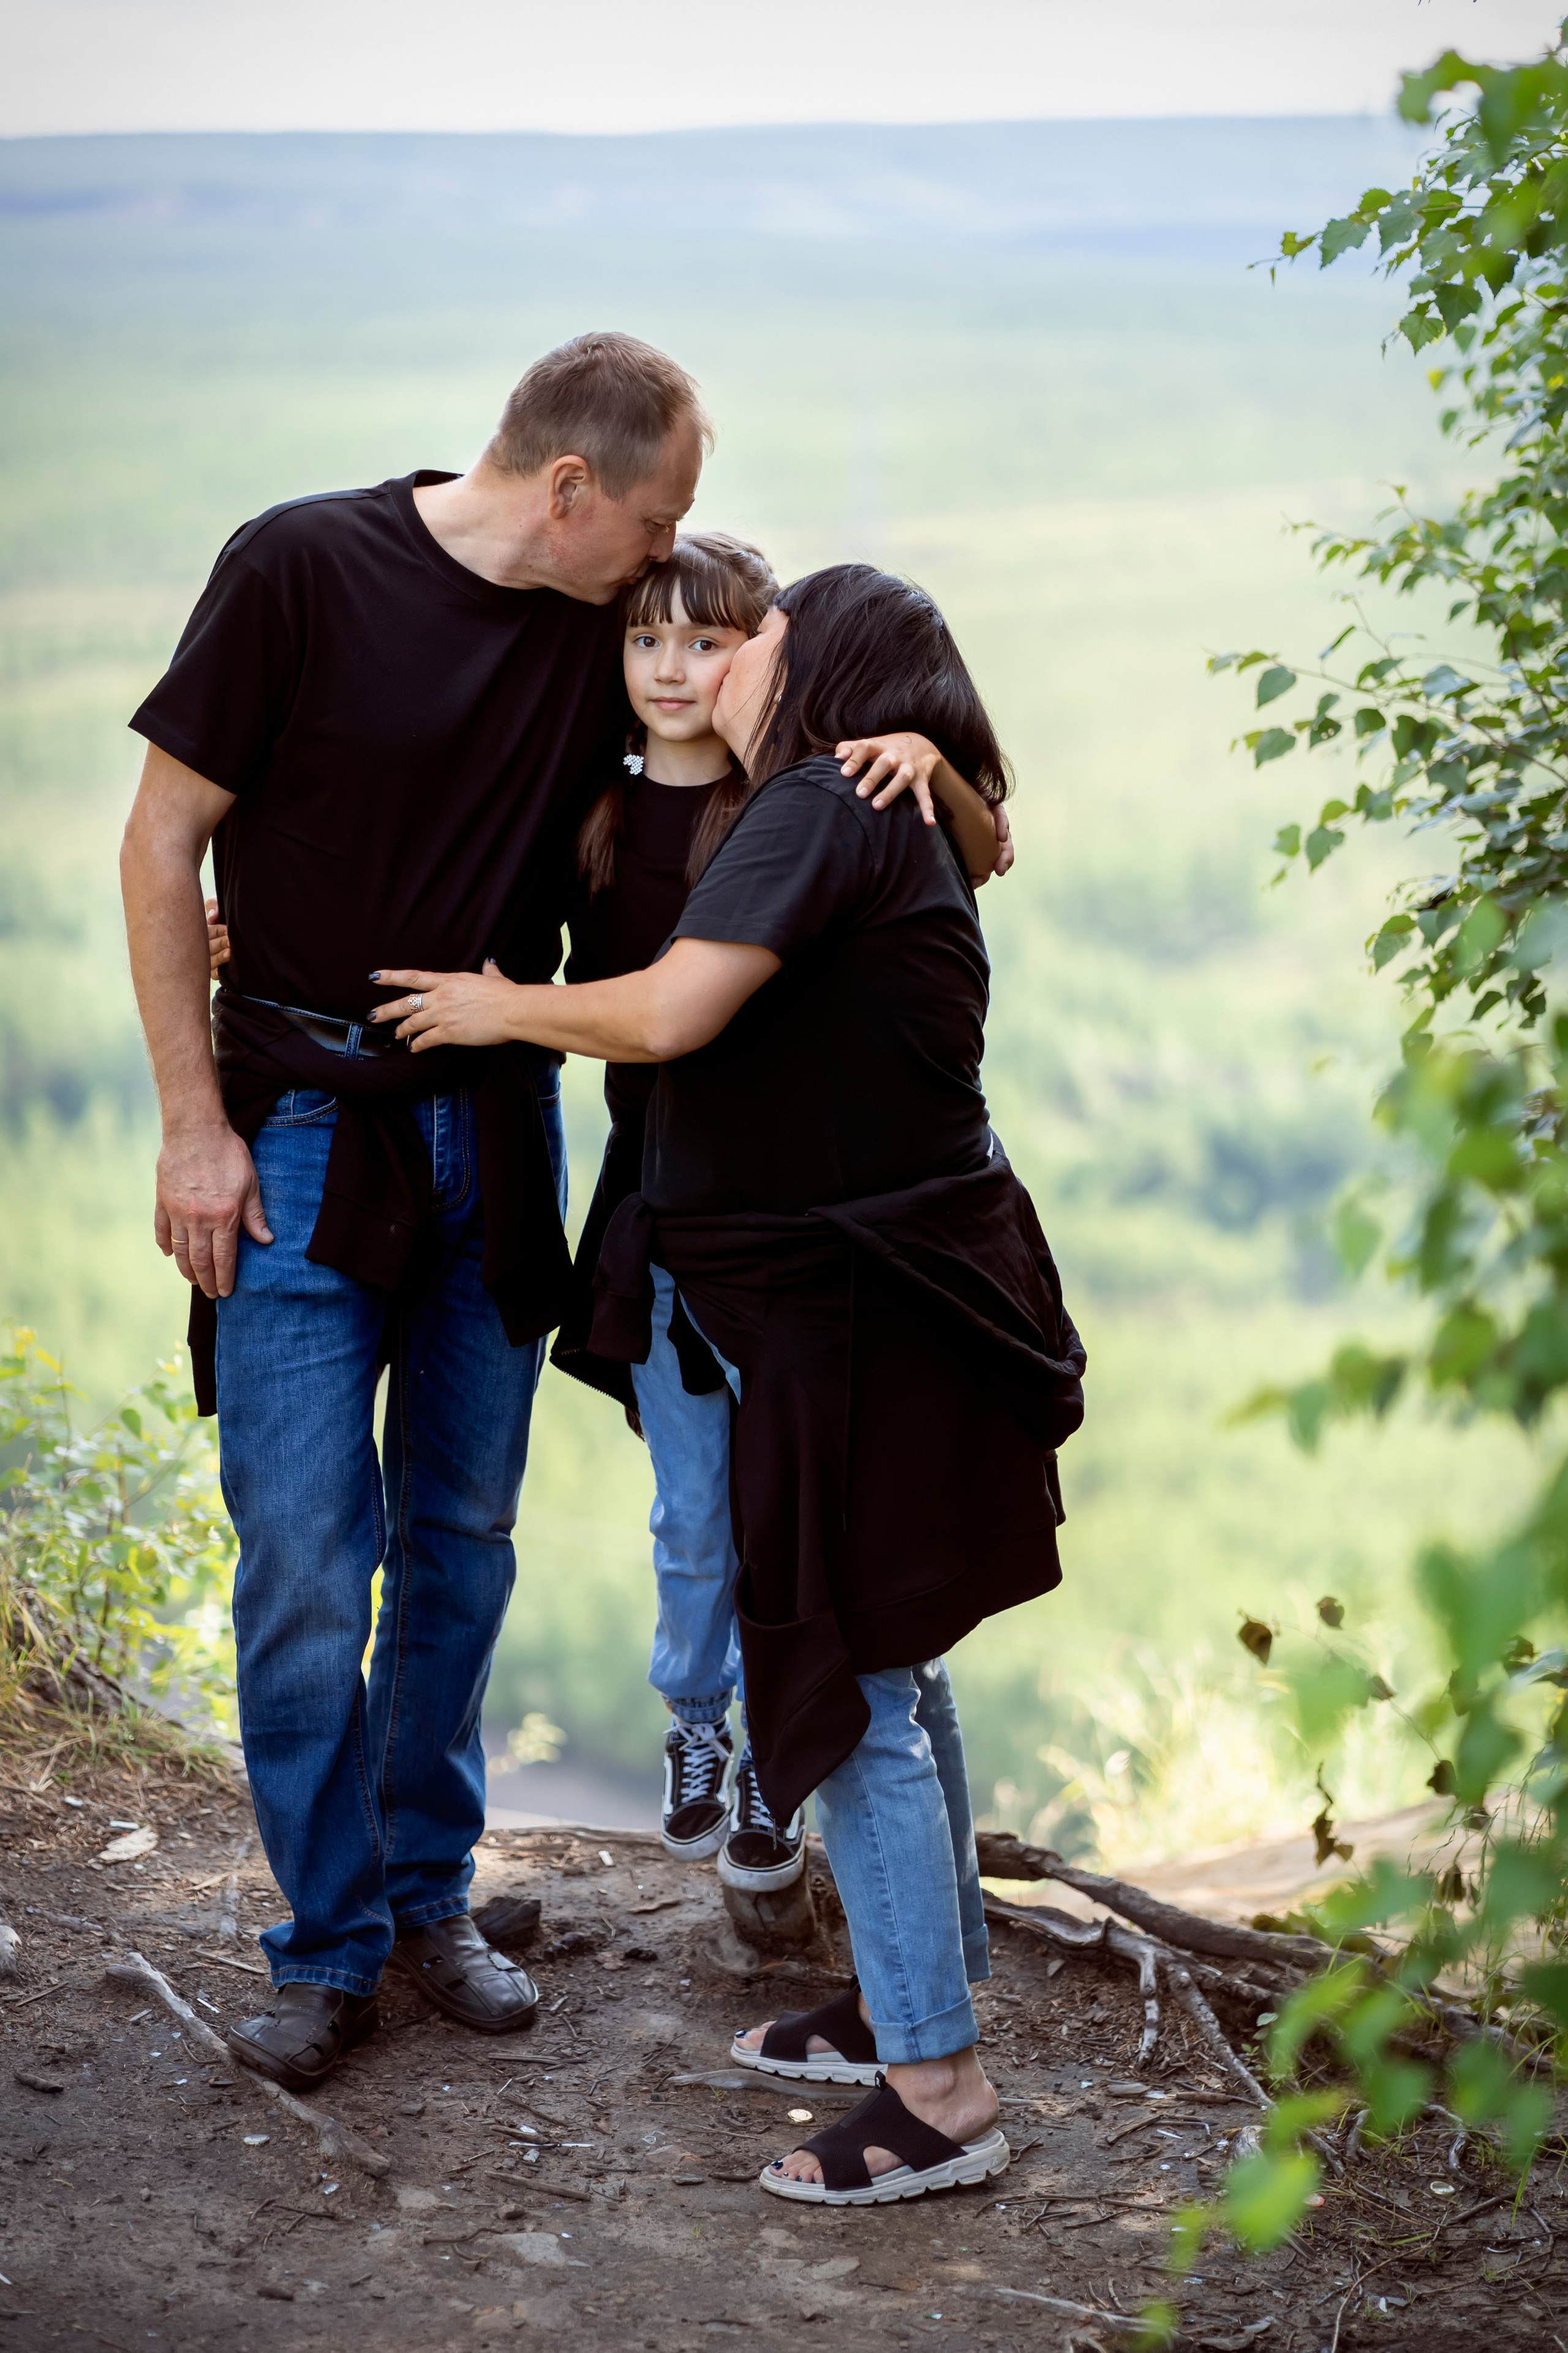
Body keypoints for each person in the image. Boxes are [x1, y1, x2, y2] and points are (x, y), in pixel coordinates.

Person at [365, 562, 1087, 2207]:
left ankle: (941, 2092)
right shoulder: (847, 799)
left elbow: (675, 1008)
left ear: (812, 665)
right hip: (863, 1293)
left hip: (842, 1312)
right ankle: (921, 1989)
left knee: (847, 1678)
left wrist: (499, 1007)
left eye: (754, 632)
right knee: (893, 1648)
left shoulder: (825, 802)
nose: (723, 654)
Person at [119, 330, 710, 2094]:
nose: (672, 547)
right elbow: (162, 845)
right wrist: (192, 1125)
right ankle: (326, 1944)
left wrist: (922, 743)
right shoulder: (300, 565)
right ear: (571, 489)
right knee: (306, 1557)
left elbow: (760, 676)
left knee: (462, 1543)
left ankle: (428, 1890)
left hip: (498, 1130)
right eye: (657, 508)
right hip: (295, 1134)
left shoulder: (606, 629)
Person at [548, 530, 1009, 1892]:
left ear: (766, 658)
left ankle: (773, 1753)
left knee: (802, 1536)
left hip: (791, 1235)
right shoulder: (592, 810)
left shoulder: (804, 795)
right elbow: (479, 916)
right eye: (649, 641)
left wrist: (930, 761)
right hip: (665, 1206)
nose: (681, 666)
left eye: (715, 641)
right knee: (699, 1514)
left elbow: (985, 850)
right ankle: (701, 1725)